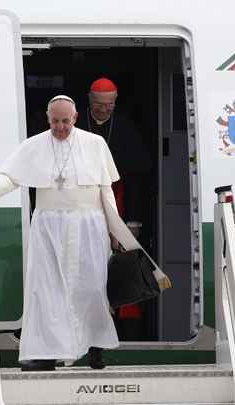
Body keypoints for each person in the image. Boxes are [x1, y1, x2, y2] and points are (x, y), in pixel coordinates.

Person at [0, 95, 120, 371]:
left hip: (89, 225)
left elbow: (106, 190)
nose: (61, 127)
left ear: (75, 118)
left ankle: (95, 347)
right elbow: (10, 175)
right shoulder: (34, 145)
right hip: (48, 225)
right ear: (47, 118)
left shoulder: (95, 144)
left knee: (92, 287)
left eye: (66, 121)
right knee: (46, 289)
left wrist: (116, 230)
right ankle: (45, 353)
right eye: (55, 122)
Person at [77, 77, 153, 340]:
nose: (104, 110)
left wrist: (133, 221)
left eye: (109, 105)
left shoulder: (125, 128)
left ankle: (126, 335)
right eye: (99, 104)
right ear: (89, 100)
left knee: (123, 270)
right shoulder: (75, 126)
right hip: (83, 208)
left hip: (119, 204)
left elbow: (136, 178)